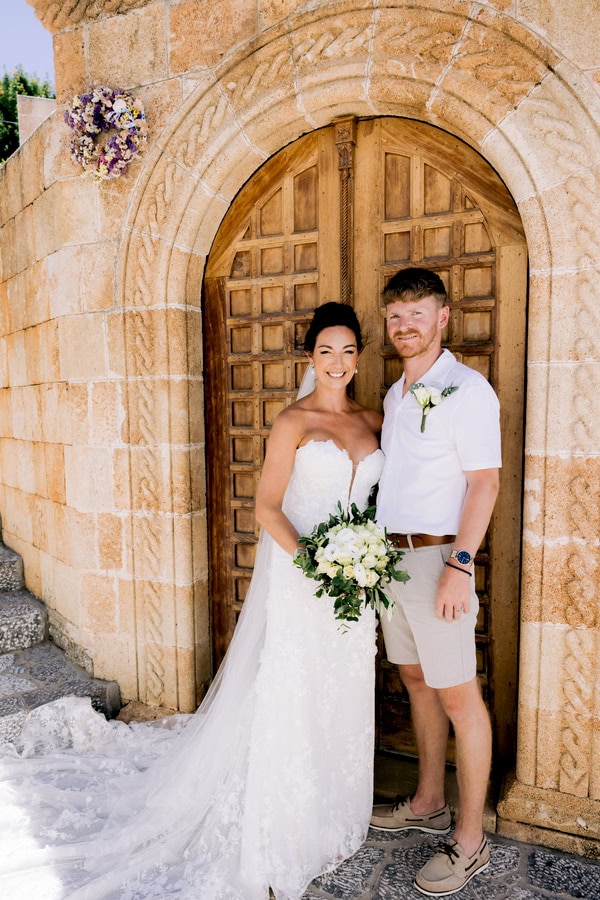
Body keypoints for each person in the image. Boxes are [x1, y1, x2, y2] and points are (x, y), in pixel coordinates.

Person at [0, 302, 383, 900]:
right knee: (294, 686)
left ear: (359, 356)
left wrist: (362, 559)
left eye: (348, 351)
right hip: (305, 572)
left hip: (356, 585)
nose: (337, 362)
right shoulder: (294, 422)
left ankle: (336, 809)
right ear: (311, 356)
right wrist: (317, 562)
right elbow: (268, 507)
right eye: (326, 350)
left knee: (342, 683)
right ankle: (285, 822)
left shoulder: (372, 419)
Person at [371, 268, 501, 896]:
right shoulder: (397, 396)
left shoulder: (467, 390)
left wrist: (460, 564)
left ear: (443, 317)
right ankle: (428, 802)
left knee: (458, 697)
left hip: (440, 561)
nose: (405, 326)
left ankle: (470, 840)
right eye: (395, 316)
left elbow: (484, 483)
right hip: (390, 561)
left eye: (417, 313)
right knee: (417, 682)